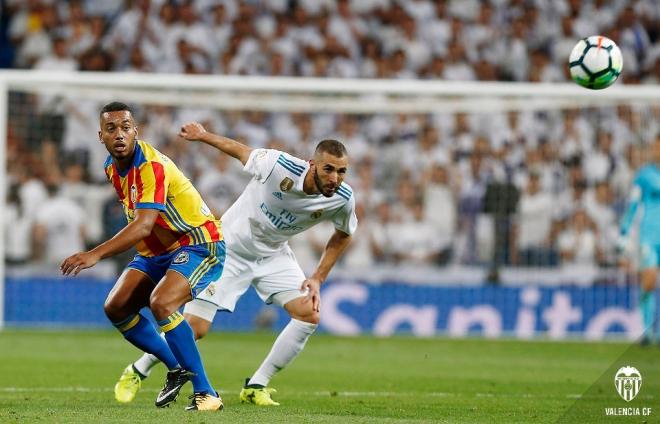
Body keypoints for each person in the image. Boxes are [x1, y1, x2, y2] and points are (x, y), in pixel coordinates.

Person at [114, 122, 357, 406]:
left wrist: (317, 277)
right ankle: (137, 370)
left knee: (309, 314)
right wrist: (203, 136)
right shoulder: (279, 165)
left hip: (274, 255)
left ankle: (256, 385)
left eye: (342, 171)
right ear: (312, 164)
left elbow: (343, 234)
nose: (335, 178)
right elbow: (241, 151)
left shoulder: (342, 199)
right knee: (194, 328)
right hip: (228, 248)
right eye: (329, 169)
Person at [60, 102, 225, 411]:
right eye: (111, 129)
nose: (119, 134)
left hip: (199, 242)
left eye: (125, 127)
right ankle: (176, 367)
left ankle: (207, 393)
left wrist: (95, 254)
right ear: (101, 136)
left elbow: (144, 223)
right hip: (157, 252)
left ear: (136, 131)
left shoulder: (151, 165)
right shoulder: (111, 167)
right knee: (116, 307)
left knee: (162, 302)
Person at [618, 136, 660, 345]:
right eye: (656, 145)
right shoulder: (644, 175)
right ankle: (647, 331)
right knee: (650, 281)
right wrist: (624, 232)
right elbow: (633, 203)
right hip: (650, 237)